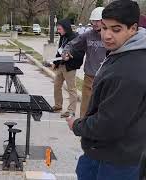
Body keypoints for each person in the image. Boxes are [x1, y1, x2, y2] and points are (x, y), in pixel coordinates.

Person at [66, 1, 146, 179]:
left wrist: (77, 125)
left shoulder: (130, 69)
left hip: (115, 162)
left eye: (116, 29)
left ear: (133, 28)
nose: (107, 35)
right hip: (103, 153)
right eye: (104, 28)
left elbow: (109, 123)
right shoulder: (123, 51)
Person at [63, 7, 107, 118]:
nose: (95, 23)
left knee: (103, 110)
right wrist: (66, 52)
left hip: (106, 79)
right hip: (90, 78)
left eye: (98, 21)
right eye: (93, 21)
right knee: (85, 109)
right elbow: (71, 44)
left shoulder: (110, 35)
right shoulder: (87, 35)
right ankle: (83, 131)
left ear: (104, 20)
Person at [52, 19, 84, 118]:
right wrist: (55, 62)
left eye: (59, 29)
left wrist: (70, 56)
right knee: (57, 86)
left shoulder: (76, 37)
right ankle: (58, 106)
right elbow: (59, 50)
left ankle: (71, 111)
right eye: (57, 29)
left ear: (66, 28)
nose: (58, 31)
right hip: (60, 65)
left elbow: (80, 52)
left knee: (71, 89)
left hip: (70, 66)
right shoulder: (62, 37)